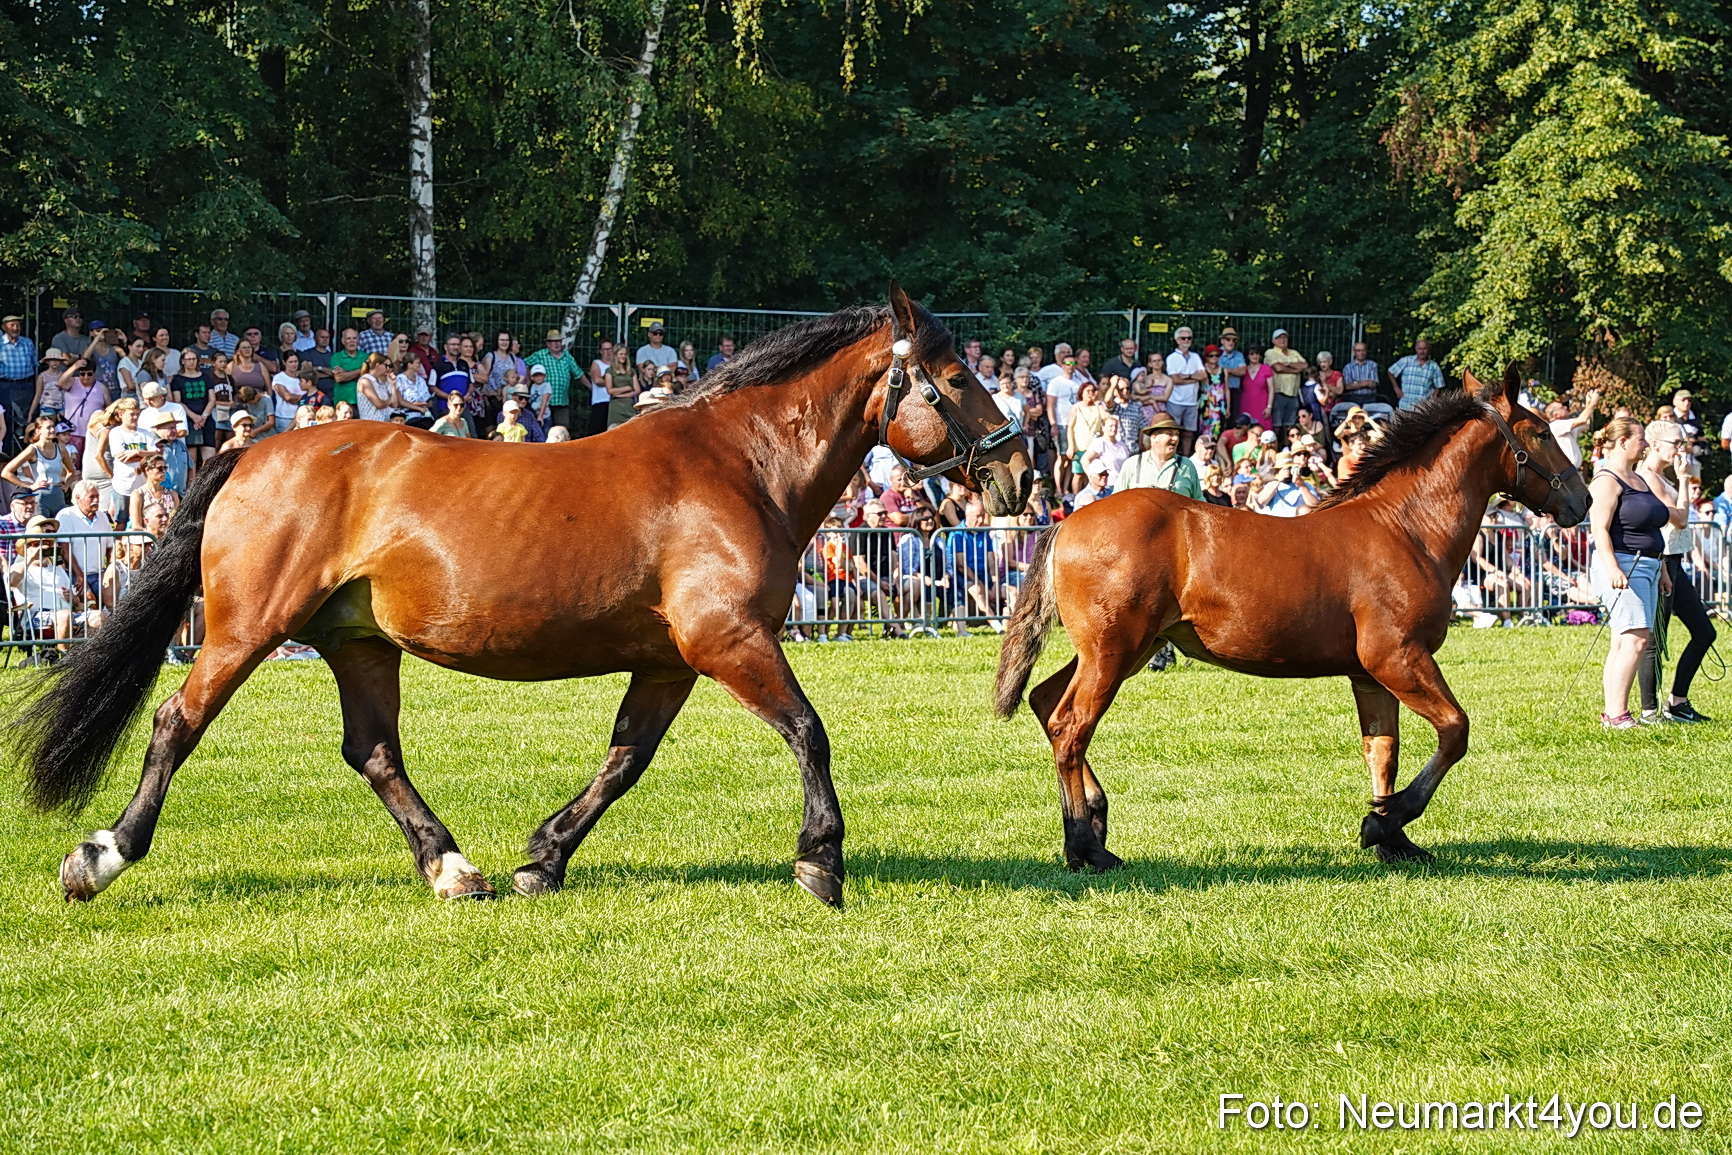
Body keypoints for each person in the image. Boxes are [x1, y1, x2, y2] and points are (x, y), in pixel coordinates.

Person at [1588, 416, 1671, 729]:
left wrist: (1662, 569)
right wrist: (1612, 567)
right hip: (1625, 564)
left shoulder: (1640, 478)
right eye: (1640, 439)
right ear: (1623, 442)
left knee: (1626, 639)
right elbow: (1599, 528)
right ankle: (1617, 714)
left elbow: (1651, 526)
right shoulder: (1606, 480)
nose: (1646, 445)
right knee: (1635, 639)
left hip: (1648, 565)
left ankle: (1614, 712)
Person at [1633, 421, 1714, 723]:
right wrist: (1683, 480)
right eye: (1675, 443)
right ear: (1655, 445)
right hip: (1661, 561)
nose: (1681, 449)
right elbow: (1678, 519)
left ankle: (1677, 700)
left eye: (1682, 443)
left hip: (1675, 562)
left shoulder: (1661, 477)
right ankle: (1649, 710)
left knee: (1705, 632)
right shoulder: (1647, 477)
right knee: (1655, 638)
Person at [1, 416, 77, 516]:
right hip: (41, 497)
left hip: (58, 496)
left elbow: (71, 472)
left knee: (61, 528)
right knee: (41, 528)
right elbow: (6, 472)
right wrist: (29, 486)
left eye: (53, 427)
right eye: (48, 427)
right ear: (38, 430)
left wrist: (66, 485)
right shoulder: (33, 449)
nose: (53, 430)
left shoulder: (61, 449)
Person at [1115, 414, 1201, 496]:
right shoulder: (1132, 464)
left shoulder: (1187, 465)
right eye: (1170, 434)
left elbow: (1199, 500)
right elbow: (1116, 500)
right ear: (1154, 437)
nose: (1176, 438)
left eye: (1177, 434)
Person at [98, 399, 154, 526]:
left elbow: (157, 454)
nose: (135, 417)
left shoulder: (145, 433)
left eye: (137, 414)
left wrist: (136, 452)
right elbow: (122, 457)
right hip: (124, 486)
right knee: (121, 522)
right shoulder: (116, 433)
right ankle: (118, 545)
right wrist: (145, 455)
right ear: (121, 414)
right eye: (131, 414)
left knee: (143, 520)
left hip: (143, 485)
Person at [56, 480, 112, 599]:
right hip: (74, 574)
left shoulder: (103, 516)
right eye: (91, 497)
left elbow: (110, 548)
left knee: (110, 599)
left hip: (98, 574)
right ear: (78, 498)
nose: (96, 500)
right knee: (89, 600)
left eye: (97, 496)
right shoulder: (66, 515)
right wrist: (79, 575)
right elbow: (65, 549)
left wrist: (109, 572)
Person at [526, 329, 581, 432]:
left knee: (562, 430)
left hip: (561, 401)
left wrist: (592, 387)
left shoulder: (567, 356)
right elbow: (524, 363)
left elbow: (579, 374)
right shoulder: (540, 355)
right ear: (548, 343)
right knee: (544, 430)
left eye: (558, 341)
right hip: (543, 403)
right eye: (553, 341)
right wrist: (529, 381)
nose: (556, 343)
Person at [1163, 326, 1205, 454]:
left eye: (1189, 338)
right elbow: (1175, 380)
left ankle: (1186, 457)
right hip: (1176, 400)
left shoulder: (1195, 357)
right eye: (1183, 338)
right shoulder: (1172, 358)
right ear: (1177, 340)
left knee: (1189, 433)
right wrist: (1193, 377)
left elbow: (1203, 375)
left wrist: (1184, 376)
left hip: (1192, 401)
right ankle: (1173, 456)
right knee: (1174, 432)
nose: (1186, 340)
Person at [1264, 328, 1306, 440]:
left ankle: (1288, 448)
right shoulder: (1270, 352)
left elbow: (1305, 365)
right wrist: (1295, 369)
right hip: (1278, 392)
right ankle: (1275, 447)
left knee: (1290, 425)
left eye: (1284, 337)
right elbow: (1277, 367)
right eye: (1279, 338)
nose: (1282, 340)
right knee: (1277, 425)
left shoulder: (1294, 352)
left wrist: (1286, 364)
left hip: (1293, 393)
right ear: (1273, 341)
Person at [1544, 390, 1600, 470]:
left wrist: (1588, 403)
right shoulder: (1555, 425)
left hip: (1572, 471)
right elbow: (1582, 420)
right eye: (1562, 407)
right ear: (1556, 415)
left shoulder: (1565, 425)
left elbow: (1586, 424)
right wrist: (1594, 402)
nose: (1566, 407)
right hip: (1566, 472)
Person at [1388, 338, 1445, 411]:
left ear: (1428, 350)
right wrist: (1396, 388)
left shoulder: (1434, 366)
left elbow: (1439, 386)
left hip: (1423, 408)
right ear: (1416, 349)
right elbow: (1391, 371)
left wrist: (1432, 401)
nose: (1422, 351)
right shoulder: (1406, 361)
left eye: (1424, 349)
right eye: (1420, 349)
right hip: (1405, 405)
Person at [127, 454, 180, 527]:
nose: (164, 471)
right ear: (148, 470)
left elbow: (178, 521)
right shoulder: (138, 494)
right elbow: (136, 525)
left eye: (165, 468)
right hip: (147, 536)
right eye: (160, 468)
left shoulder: (172, 494)